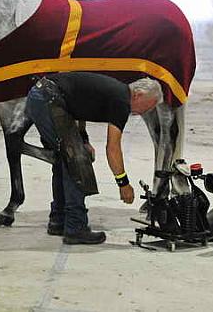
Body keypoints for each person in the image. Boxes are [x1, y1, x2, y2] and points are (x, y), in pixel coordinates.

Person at [25, 72, 162, 245]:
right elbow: (112, 148)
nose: (147, 112)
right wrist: (123, 184)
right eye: (149, 106)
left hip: (43, 96)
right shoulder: (121, 101)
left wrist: (84, 139)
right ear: (139, 95)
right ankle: (75, 227)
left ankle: (58, 221)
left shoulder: (115, 91)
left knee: (63, 159)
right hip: (48, 99)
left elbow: (78, 107)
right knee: (76, 161)